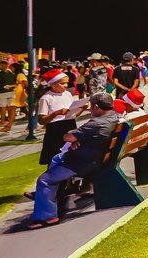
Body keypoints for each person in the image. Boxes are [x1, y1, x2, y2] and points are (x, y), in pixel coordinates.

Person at [27, 92, 121, 229]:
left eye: (91, 107)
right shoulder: (114, 117)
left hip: (84, 162)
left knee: (44, 180)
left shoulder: (95, 123)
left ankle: (47, 216)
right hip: (97, 156)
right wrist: (77, 141)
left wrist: (73, 140)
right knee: (56, 158)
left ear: (96, 106)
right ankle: (47, 196)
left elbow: (67, 137)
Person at [0, 60, 18, 131]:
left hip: (1, 92)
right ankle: (10, 121)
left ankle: (2, 121)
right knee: (10, 108)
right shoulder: (11, 72)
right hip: (11, 91)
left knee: (2, 107)